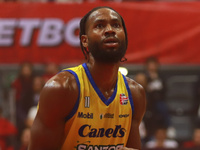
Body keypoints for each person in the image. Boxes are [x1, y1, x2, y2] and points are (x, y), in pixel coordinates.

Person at [28, 6, 146, 150]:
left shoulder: (135, 94)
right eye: (99, 26)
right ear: (85, 41)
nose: (110, 30)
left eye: (116, 25)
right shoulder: (62, 89)